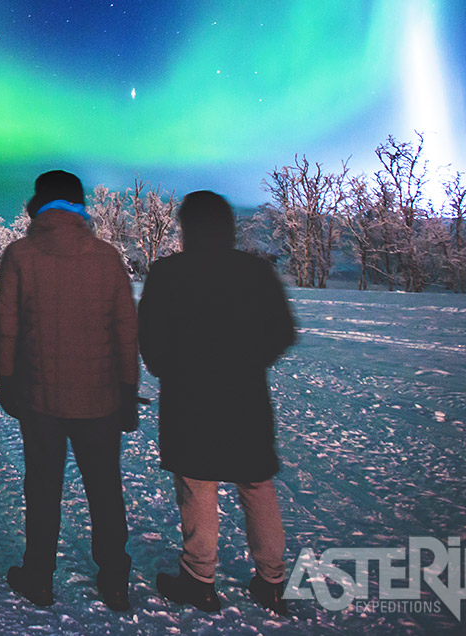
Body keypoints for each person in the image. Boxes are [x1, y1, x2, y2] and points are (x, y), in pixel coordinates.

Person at [139, 190, 297, 615]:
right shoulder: (256, 272)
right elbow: (283, 330)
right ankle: (273, 580)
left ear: (186, 226)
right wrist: (250, 362)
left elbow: (149, 338)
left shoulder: (168, 273)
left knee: (198, 486)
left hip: (190, 401)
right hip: (246, 398)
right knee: (257, 485)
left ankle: (199, 578)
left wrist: (170, 368)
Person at [0, 170, 138, 610]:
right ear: (78, 205)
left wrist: (7, 382)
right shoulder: (107, 257)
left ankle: (38, 577)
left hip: (41, 401)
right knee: (105, 491)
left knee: (41, 490)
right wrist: (128, 391)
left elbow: (6, 328)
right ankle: (114, 579)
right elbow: (126, 332)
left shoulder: (19, 255)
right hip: (101, 401)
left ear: (40, 204)